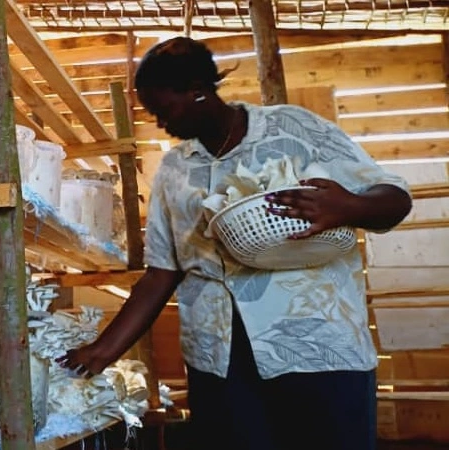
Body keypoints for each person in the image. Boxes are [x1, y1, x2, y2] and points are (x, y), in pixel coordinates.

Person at [55, 37, 413, 450]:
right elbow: (161, 273)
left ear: (198, 91)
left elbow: (395, 199)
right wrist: (102, 350)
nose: (159, 122)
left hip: (318, 350)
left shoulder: (293, 129)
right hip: (220, 363)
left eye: (164, 109)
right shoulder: (175, 170)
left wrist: (348, 206)